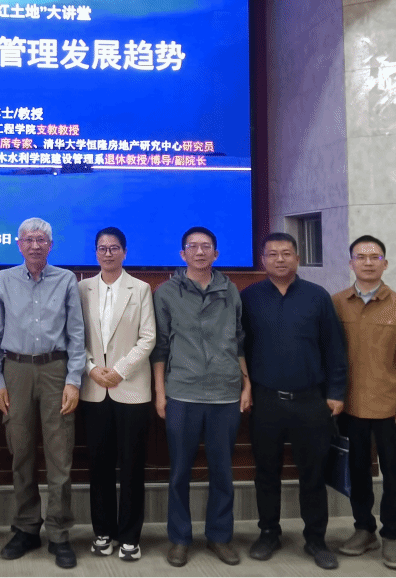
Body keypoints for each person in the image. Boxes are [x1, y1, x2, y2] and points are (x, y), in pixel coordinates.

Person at [240, 232, 347, 570]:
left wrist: (336, 392)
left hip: (310, 401)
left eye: (286, 253)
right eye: (273, 254)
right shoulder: (249, 297)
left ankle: (316, 539)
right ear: (263, 260)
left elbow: (334, 348)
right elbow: (239, 348)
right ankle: (268, 533)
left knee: (313, 474)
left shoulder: (317, 297)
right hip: (265, 401)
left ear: (297, 259)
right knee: (266, 472)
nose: (280, 259)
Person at [0, 217, 86, 569]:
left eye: (41, 240)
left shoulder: (66, 279)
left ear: (50, 245)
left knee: (60, 456)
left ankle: (59, 533)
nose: (34, 245)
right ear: (18, 245)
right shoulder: (3, 279)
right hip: (15, 371)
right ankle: (27, 528)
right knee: (22, 452)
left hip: (55, 370)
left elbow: (77, 334)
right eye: (28, 240)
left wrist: (74, 380)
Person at [152, 226, 251, 568]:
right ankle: (180, 539)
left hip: (225, 393)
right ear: (182, 254)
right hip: (182, 392)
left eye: (205, 246)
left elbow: (239, 341)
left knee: (222, 471)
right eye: (192, 247)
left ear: (216, 253)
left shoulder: (230, 290)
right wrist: (160, 393)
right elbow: (160, 347)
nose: (199, 252)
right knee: (180, 471)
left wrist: (246, 383)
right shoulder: (166, 292)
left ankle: (220, 536)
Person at [332, 235, 396, 570]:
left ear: (385, 263)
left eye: (375, 257)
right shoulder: (336, 303)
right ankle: (364, 529)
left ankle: (392, 536)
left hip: (391, 409)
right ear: (351, 263)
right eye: (361, 256)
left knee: (394, 476)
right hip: (350, 407)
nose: (368, 262)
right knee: (357, 473)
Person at [78, 227, 155, 562]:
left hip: (131, 388)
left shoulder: (141, 288)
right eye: (102, 248)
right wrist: (92, 368)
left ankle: (130, 536)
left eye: (113, 248)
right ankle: (102, 532)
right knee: (99, 466)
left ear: (124, 251)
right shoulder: (82, 288)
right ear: (95, 253)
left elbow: (148, 337)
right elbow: (75, 336)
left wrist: (119, 370)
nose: (107, 253)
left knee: (132, 466)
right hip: (93, 388)